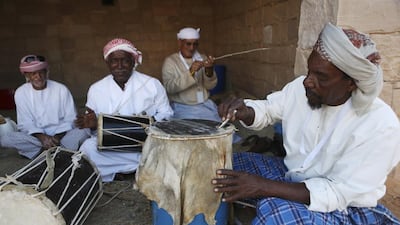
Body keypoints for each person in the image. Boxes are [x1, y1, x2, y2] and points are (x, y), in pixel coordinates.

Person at [212, 23, 400, 224]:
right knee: (223, 166)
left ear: (351, 83)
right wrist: (246, 111)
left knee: (276, 216)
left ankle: (269, 201)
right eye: (309, 71)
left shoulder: (380, 125)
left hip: (343, 208)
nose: (307, 82)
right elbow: (268, 109)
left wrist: (261, 186)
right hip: (290, 178)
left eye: (321, 77)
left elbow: (337, 193)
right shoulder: (301, 90)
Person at [75, 38, 173, 182]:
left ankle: (122, 171)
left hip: (146, 144)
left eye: (125, 61)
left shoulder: (152, 84)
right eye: (114, 61)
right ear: (108, 63)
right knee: (88, 148)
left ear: (133, 62)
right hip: (112, 147)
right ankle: (136, 170)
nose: (119, 66)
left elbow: (167, 114)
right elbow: (94, 131)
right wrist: (92, 124)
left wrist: (147, 125)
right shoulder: (96, 89)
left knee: (168, 150)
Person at [0, 55, 89, 159]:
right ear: (27, 75)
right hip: (37, 137)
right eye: (33, 73)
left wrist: (56, 137)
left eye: (41, 72)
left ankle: (42, 152)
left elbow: (71, 119)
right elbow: (25, 123)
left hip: (62, 135)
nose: (38, 76)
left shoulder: (61, 89)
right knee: (6, 138)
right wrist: (42, 137)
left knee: (84, 131)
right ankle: (59, 151)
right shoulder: (21, 93)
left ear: (46, 72)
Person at [161, 27, 220, 122]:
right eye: (188, 44)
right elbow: (169, 88)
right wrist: (190, 72)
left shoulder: (202, 58)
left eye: (195, 44)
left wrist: (209, 70)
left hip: (205, 104)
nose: (192, 48)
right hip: (182, 107)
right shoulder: (170, 61)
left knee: (219, 130)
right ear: (180, 43)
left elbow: (210, 86)